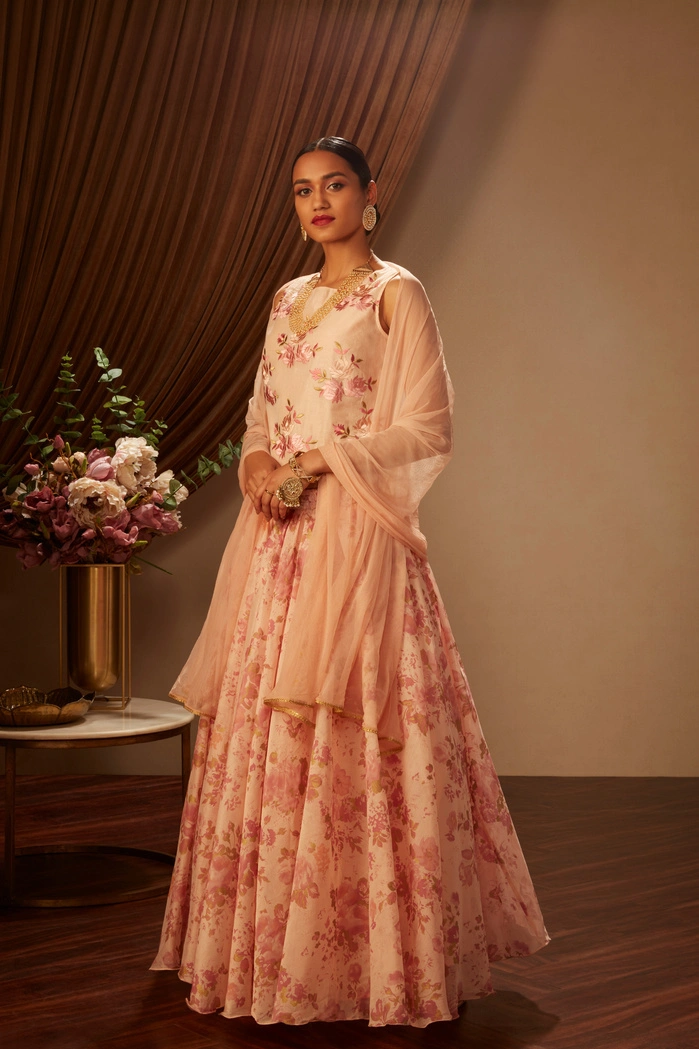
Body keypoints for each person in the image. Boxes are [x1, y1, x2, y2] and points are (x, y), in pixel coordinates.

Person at [152, 136, 549, 1026]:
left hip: (355, 534)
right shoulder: (286, 298)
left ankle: (376, 960)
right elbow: (260, 414)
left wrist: (317, 463)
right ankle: (274, 955)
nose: (317, 202)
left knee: (357, 726)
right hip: (275, 544)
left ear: (369, 193)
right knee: (270, 732)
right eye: (302, 191)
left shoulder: (395, 293)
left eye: (334, 185)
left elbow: (427, 426)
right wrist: (259, 465)